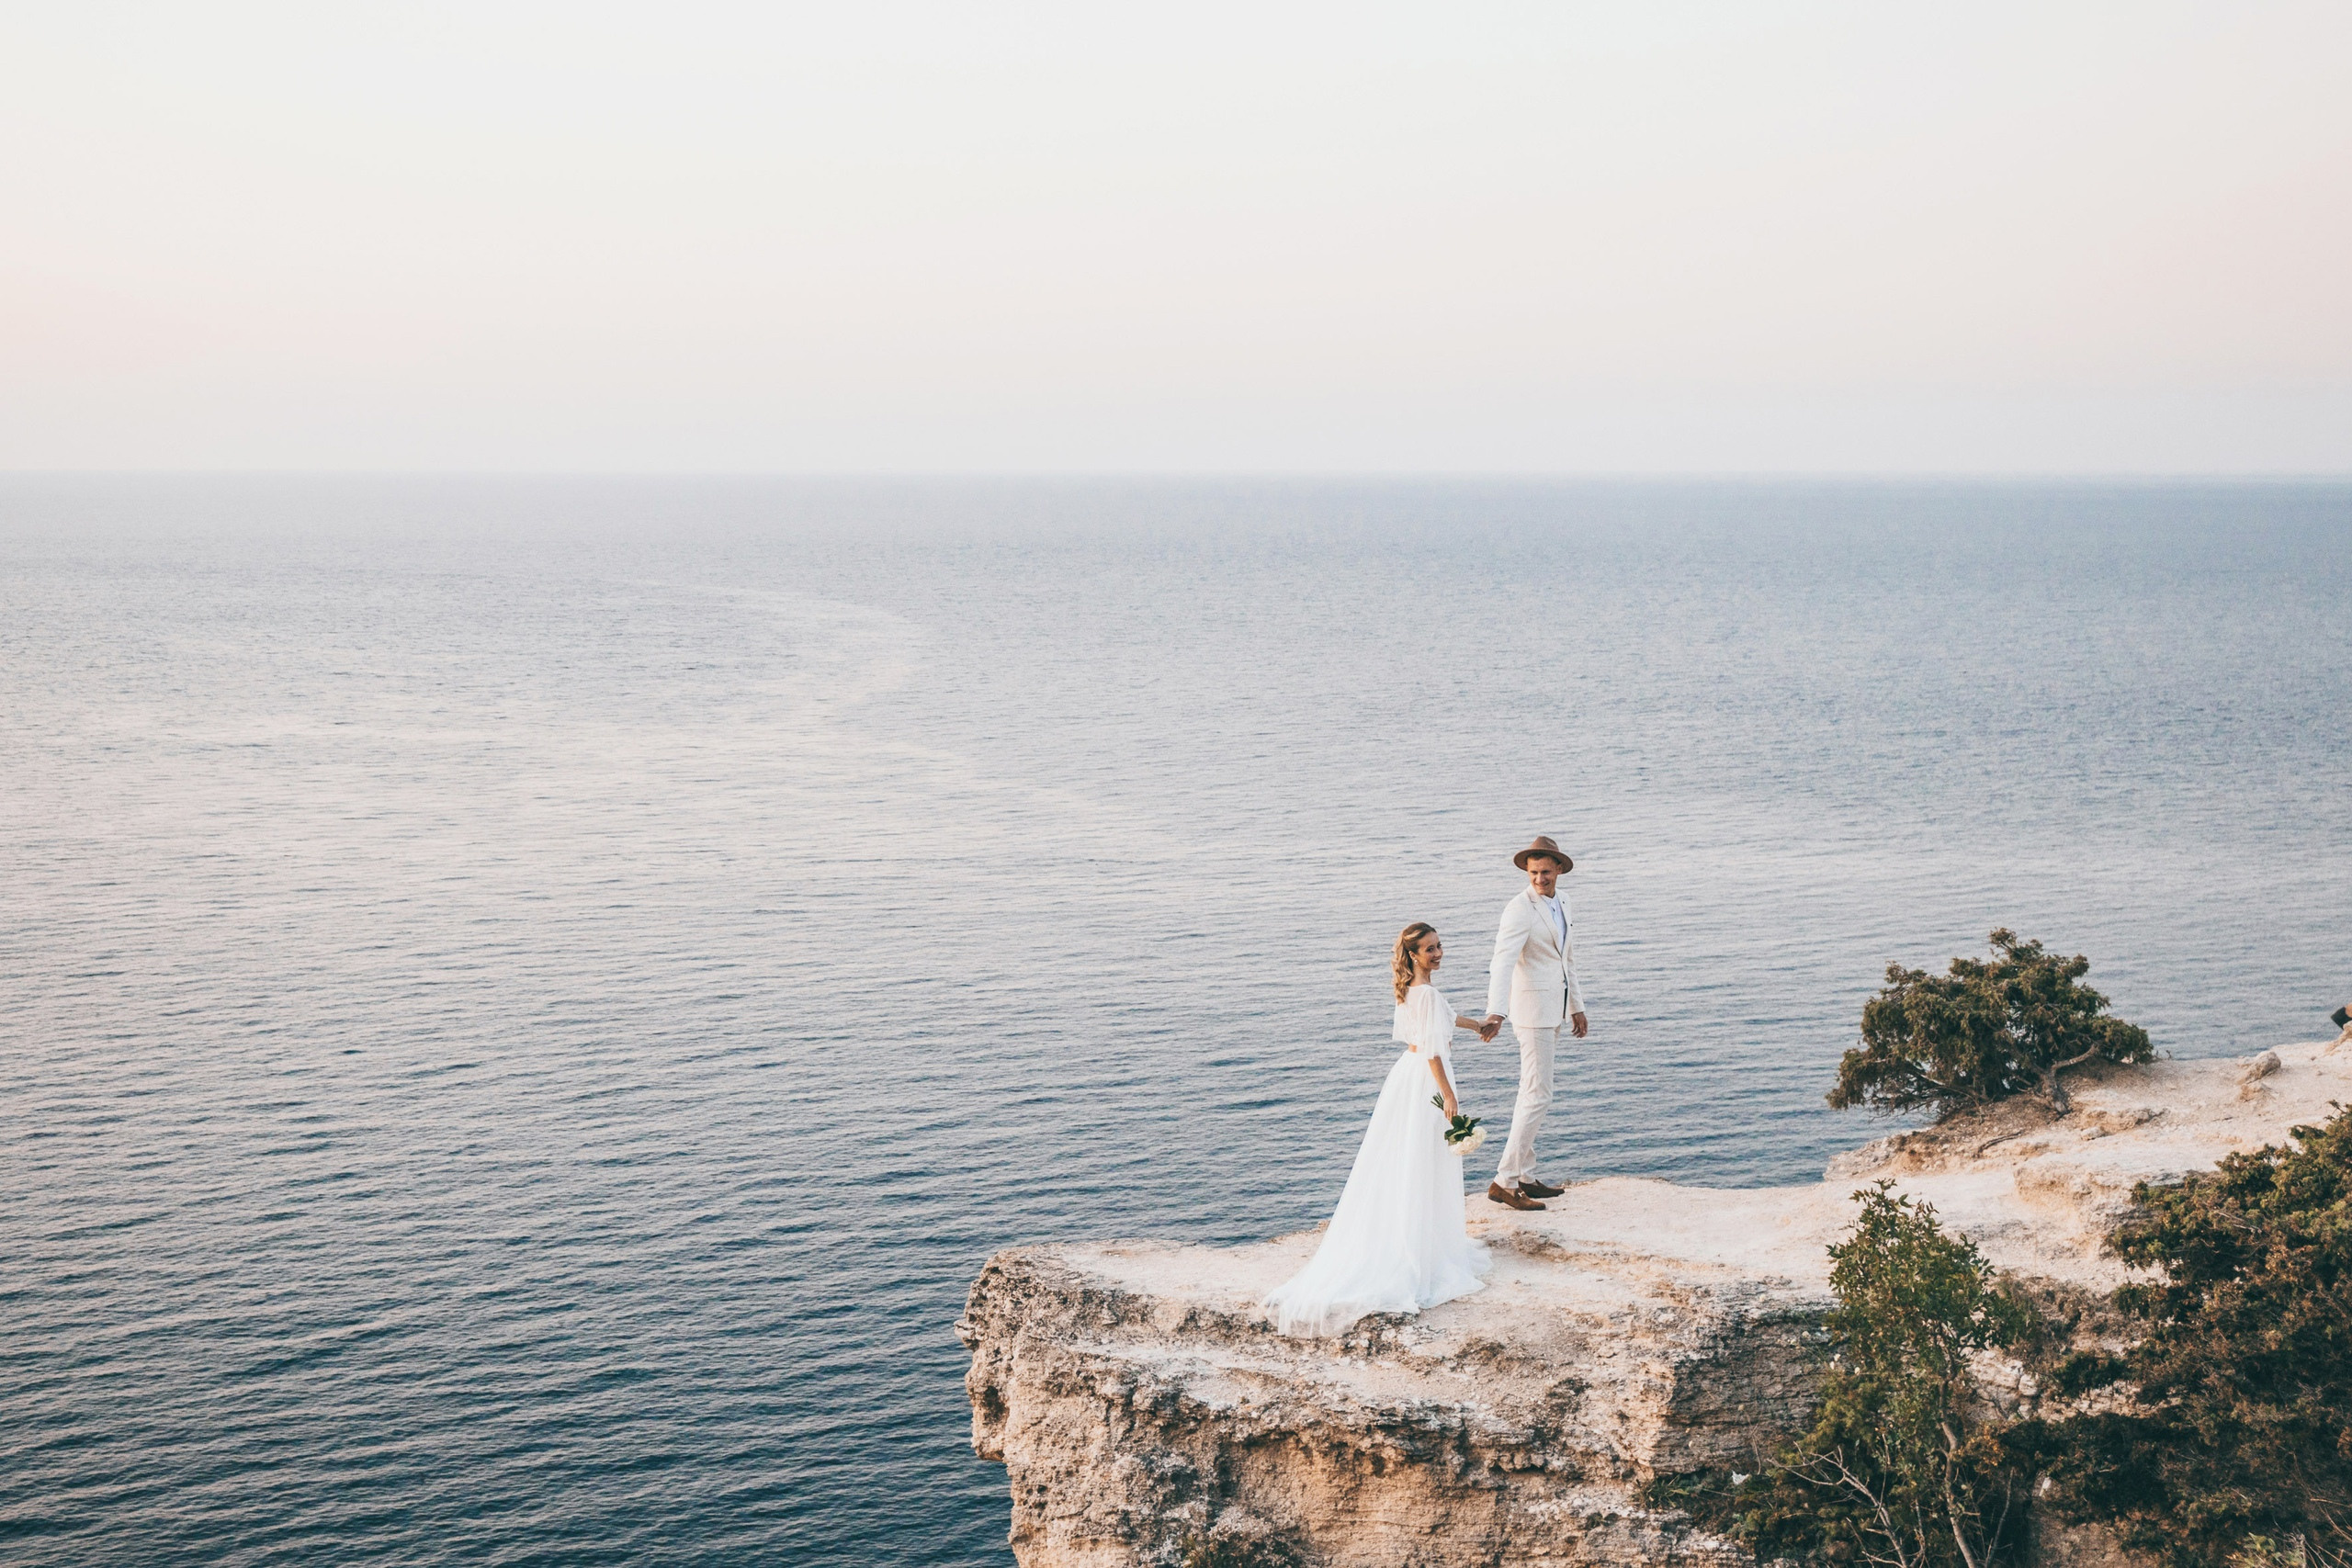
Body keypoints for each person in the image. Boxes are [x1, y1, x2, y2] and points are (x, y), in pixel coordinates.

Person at [1262, 923, 1496, 1337]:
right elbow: (1432, 1049)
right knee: (1421, 1160)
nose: (1439, 953)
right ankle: (1419, 1248)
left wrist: (1478, 1025)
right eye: (1429, 949)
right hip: (1427, 1081)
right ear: (1413, 955)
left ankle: (1417, 1235)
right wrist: (1449, 1097)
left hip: (1407, 1079)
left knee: (1407, 1159)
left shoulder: (1417, 991)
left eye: (1440, 945)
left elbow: (1442, 1017)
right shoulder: (1424, 993)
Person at [1482, 835, 1587, 1212]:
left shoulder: (1564, 901)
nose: (1539, 879)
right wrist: (1496, 1011)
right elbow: (1502, 961)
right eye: (1533, 873)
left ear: (1559, 869)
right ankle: (1504, 1181)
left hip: (1554, 1009)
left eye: (1545, 872)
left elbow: (1566, 959)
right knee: (1538, 1094)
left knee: (1532, 1092)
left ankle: (1526, 1175)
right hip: (1529, 1014)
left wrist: (1576, 1005)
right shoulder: (1518, 909)